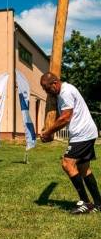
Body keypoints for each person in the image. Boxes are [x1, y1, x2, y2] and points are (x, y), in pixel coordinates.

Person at [40, 72, 100, 214]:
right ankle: (98, 203)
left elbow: (66, 117)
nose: (46, 92)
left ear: (55, 84)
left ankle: (85, 203)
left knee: (67, 163)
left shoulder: (65, 92)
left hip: (82, 134)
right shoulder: (63, 92)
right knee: (84, 168)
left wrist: (48, 132)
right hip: (85, 132)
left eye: (47, 88)